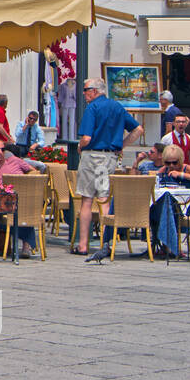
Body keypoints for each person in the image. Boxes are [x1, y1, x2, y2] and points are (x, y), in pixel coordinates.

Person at [79, 77, 144, 263]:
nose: (84, 94)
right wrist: (121, 145)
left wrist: (80, 146)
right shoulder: (117, 106)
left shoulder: (93, 107)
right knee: (104, 198)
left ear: (95, 90)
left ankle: (83, 245)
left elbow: (87, 138)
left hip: (92, 156)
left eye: (85, 90)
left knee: (86, 199)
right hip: (109, 158)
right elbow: (138, 129)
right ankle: (105, 242)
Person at [0, 134, 46, 259]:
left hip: (20, 201)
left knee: (23, 208)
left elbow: (33, 171)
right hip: (0, 203)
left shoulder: (15, 161)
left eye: (3, 149)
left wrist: (27, 179)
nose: (0, 152)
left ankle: (26, 247)